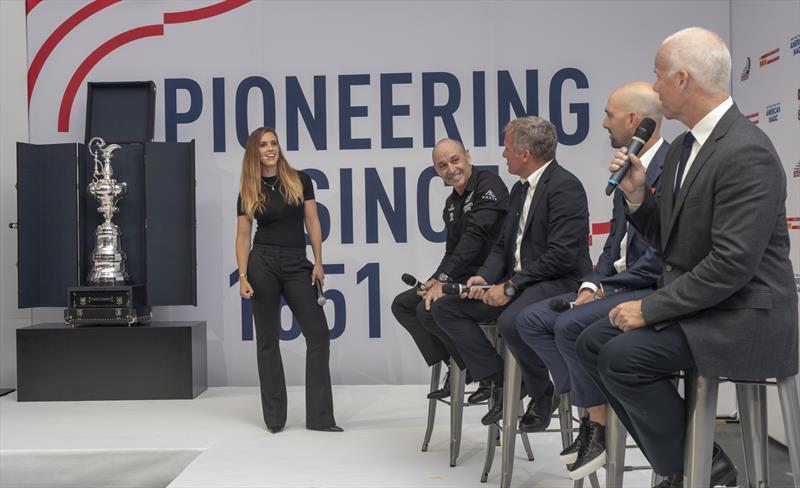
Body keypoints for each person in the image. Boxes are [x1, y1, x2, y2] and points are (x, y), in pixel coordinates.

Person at [577, 27, 798, 488]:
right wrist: (638, 200)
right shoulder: (682, 148)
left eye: (658, 76)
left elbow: (733, 264)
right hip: (708, 305)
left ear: (682, 80)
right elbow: (672, 241)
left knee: (621, 358)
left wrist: (650, 308)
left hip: (744, 315)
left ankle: (692, 468)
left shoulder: (747, 152)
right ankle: (693, 462)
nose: (654, 87)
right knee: (591, 341)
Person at [513, 81, 667, 481]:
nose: (603, 122)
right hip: (618, 282)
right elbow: (612, 243)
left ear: (632, 120)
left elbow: (658, 255)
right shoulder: (625, 169)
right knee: (532, 320)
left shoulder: (671, 166)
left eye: (608, 114)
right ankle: (589, 404)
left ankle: (596, 423)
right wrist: (591, 283)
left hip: (648, 287)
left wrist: (606, 289)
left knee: (567, 325)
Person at [432, 116, 592, 429]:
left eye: (507, 148)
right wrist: (485, 276)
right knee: (445, 308)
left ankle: (541, 391)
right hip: (518, 282)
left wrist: (510, 286)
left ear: (525, 153)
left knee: (511, 321)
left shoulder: (565, 187)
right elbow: (502, 244)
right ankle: (503, 379)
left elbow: (561, 256)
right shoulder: (519, 191)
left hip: (556, 282)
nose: (503, 154)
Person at [235, 127, 341, 434]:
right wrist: (242, 275)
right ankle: (274, 419)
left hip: (297, 262)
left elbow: (313, 221)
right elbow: (243, 237)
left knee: (318, 334)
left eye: (274, 143)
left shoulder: (300, 179)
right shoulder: (248, 189)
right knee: (268, 340)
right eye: (263, 145)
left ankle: (320, 418)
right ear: (255, 152)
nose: (270, 149)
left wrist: (318, 262)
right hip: (262, 263)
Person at [391, 138, 508, 402]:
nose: (451, 169)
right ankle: (458, 365)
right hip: (462, 276)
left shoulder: (489, 185)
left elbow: (474, 240)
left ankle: (492, 376)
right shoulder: (451, 204)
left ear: (467, 156)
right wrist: (433, 281)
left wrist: (442, 281)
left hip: (491, 277)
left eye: (455, 160)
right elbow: (452, 252)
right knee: (404, 304)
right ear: (436, 171)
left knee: (429, 308)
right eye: (442, 165)